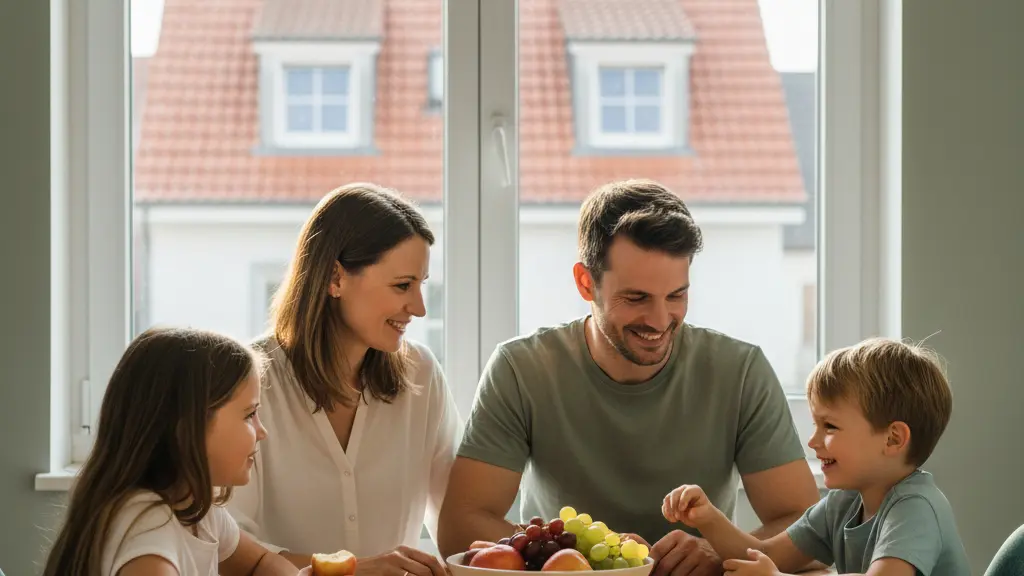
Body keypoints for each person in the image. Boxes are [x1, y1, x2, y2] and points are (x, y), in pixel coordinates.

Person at [438, 179, 821, 575]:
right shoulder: (521, 368)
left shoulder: (741, 371)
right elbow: (461, 526)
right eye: (635, 298)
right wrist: (606, 562)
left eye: (676, 296)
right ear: (586, 283)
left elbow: (809, 528)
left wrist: (718, 549)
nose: (658, 321)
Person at [228, 183, 461, 576]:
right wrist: (352, 573)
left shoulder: (421, 373)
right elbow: (227, 548)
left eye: (422, 286)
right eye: (403, 285)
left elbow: (454, 521)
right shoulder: (249, 382)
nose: (419, 309)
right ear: (335, 278)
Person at [663, 338, 970, 575]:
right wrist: (708, 518)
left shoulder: (916, 509)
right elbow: (762, 555)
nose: (812, 441)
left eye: (830, 426)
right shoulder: (844, 502)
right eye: (815, 425)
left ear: (892, 439)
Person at [41, 327, 305, 576]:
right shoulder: (148, 527)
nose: (262, 431)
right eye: (250, 415)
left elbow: (260, 563)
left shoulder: (196, 512)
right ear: (189, 430)